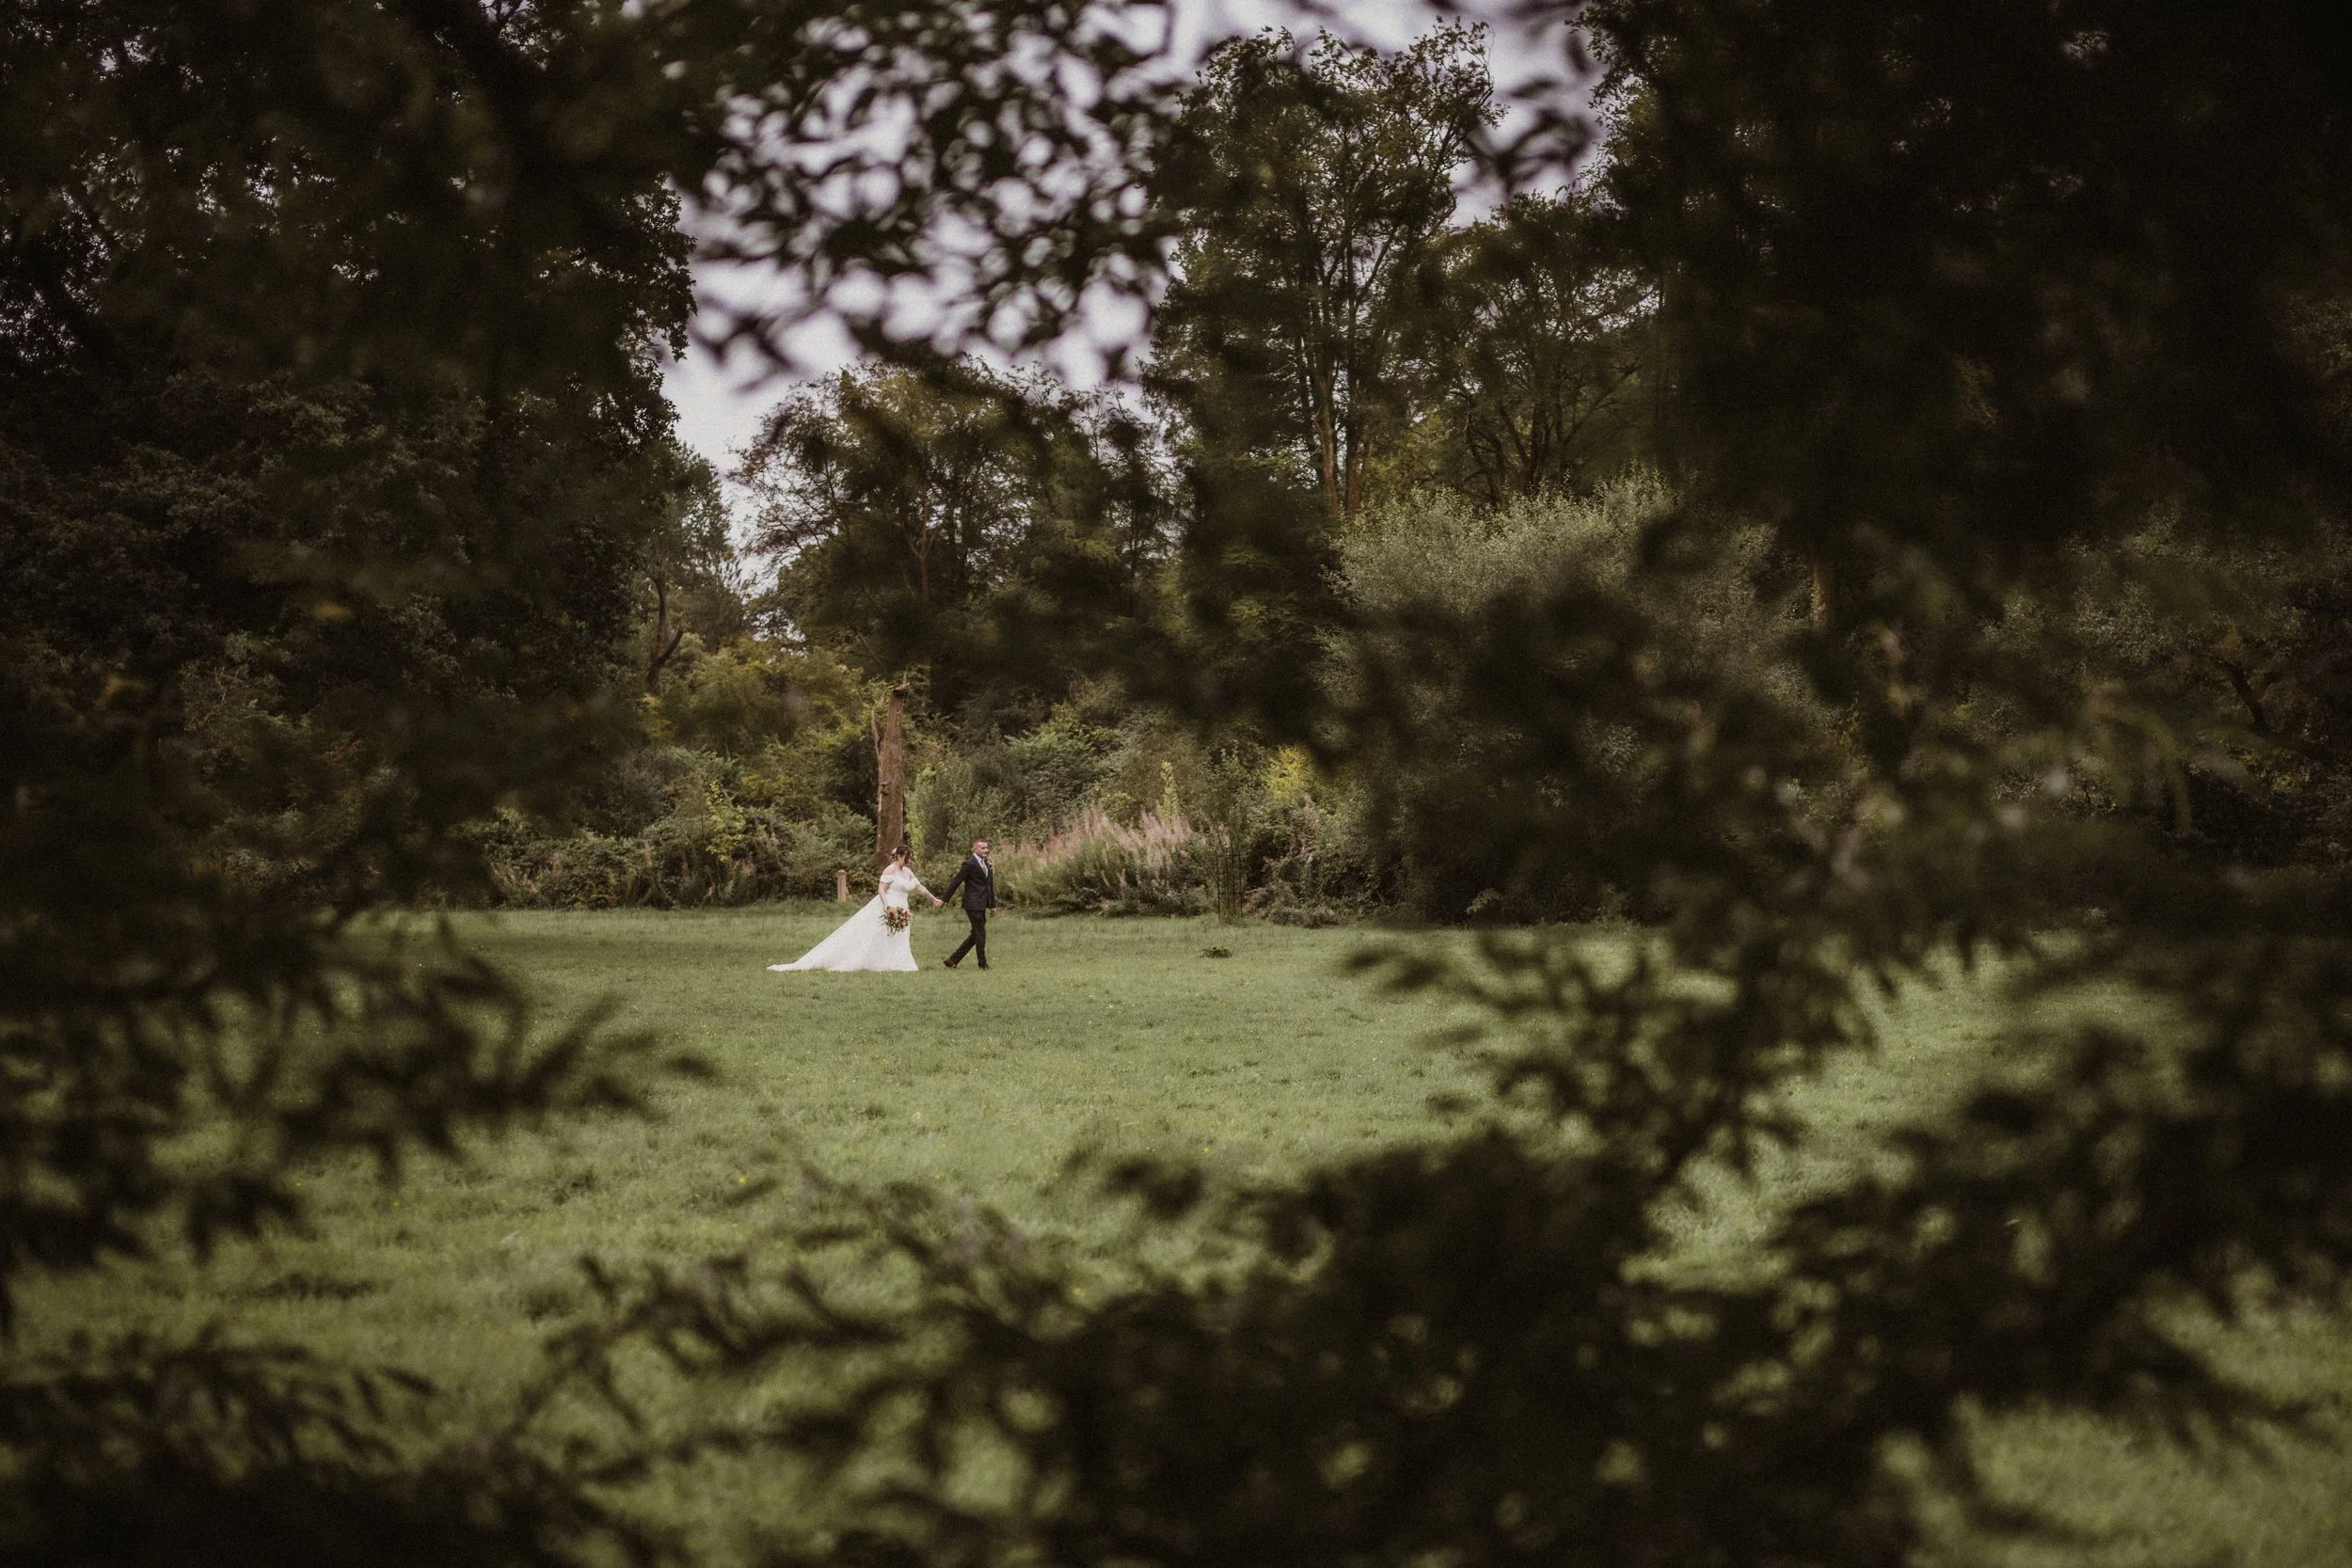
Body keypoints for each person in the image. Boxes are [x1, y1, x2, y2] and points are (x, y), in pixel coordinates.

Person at [768, 845, 941, 974]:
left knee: (900, 935)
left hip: (903, 907)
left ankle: (898, 962)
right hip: (889, 904)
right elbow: (881, 889)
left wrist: (933, 899)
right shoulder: (890, 870)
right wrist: (888, 906)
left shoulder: (908, 872)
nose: (907, 860)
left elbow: (919, 887)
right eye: (906, 857)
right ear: (899, 856)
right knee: (879, 935)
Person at [937, 837, 998, 970]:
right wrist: (944, 899)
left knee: (976, 934)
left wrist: (992, 905)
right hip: (972, 903)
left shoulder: (987, 863)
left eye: (986, 848)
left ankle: (952, 960)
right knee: (980, 933)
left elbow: (989, 885)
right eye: (982, 848)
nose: (986, 850)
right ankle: (983, 964)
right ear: (974, 849)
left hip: (982, 903)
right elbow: (956, 881)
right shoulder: (969, 864)